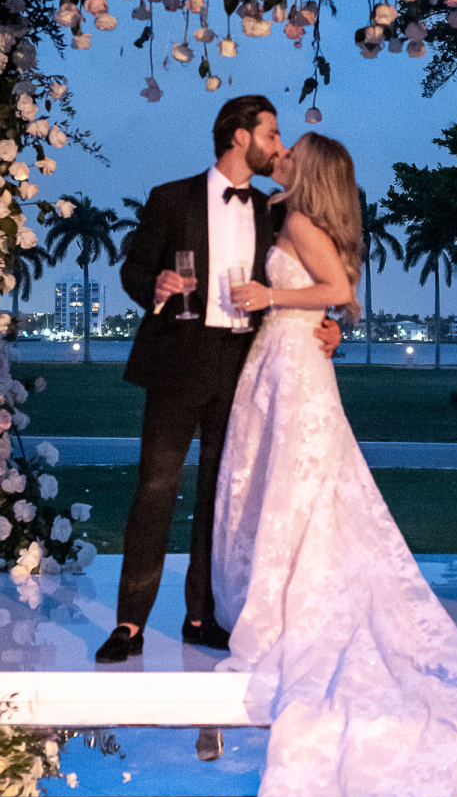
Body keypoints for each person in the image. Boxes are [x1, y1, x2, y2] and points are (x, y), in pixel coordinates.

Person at [214, 130, 457, 797]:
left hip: (292, 357)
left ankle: (288, 603)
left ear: (312, 172)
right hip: (287, 359)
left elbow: (339, 293)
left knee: (301, 488)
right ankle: (282, 593)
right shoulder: (303, 218)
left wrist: (271, 295)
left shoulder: (298, 222)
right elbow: (335, 298)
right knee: (302, 487)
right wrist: (307, 313)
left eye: (293, 152)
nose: (283, 157)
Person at [97, 97, 341, 663]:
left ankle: (201, 616)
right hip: (179, 357)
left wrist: (330, 327)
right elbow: (133, 268)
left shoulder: (274, 209)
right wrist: (153, 286)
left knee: (219, 493)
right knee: (156, 488)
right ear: (239, 136)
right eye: (272, 133)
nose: (279, 145)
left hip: (243, 365)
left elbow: (304, 279)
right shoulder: (171, 197)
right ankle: (129, 623)